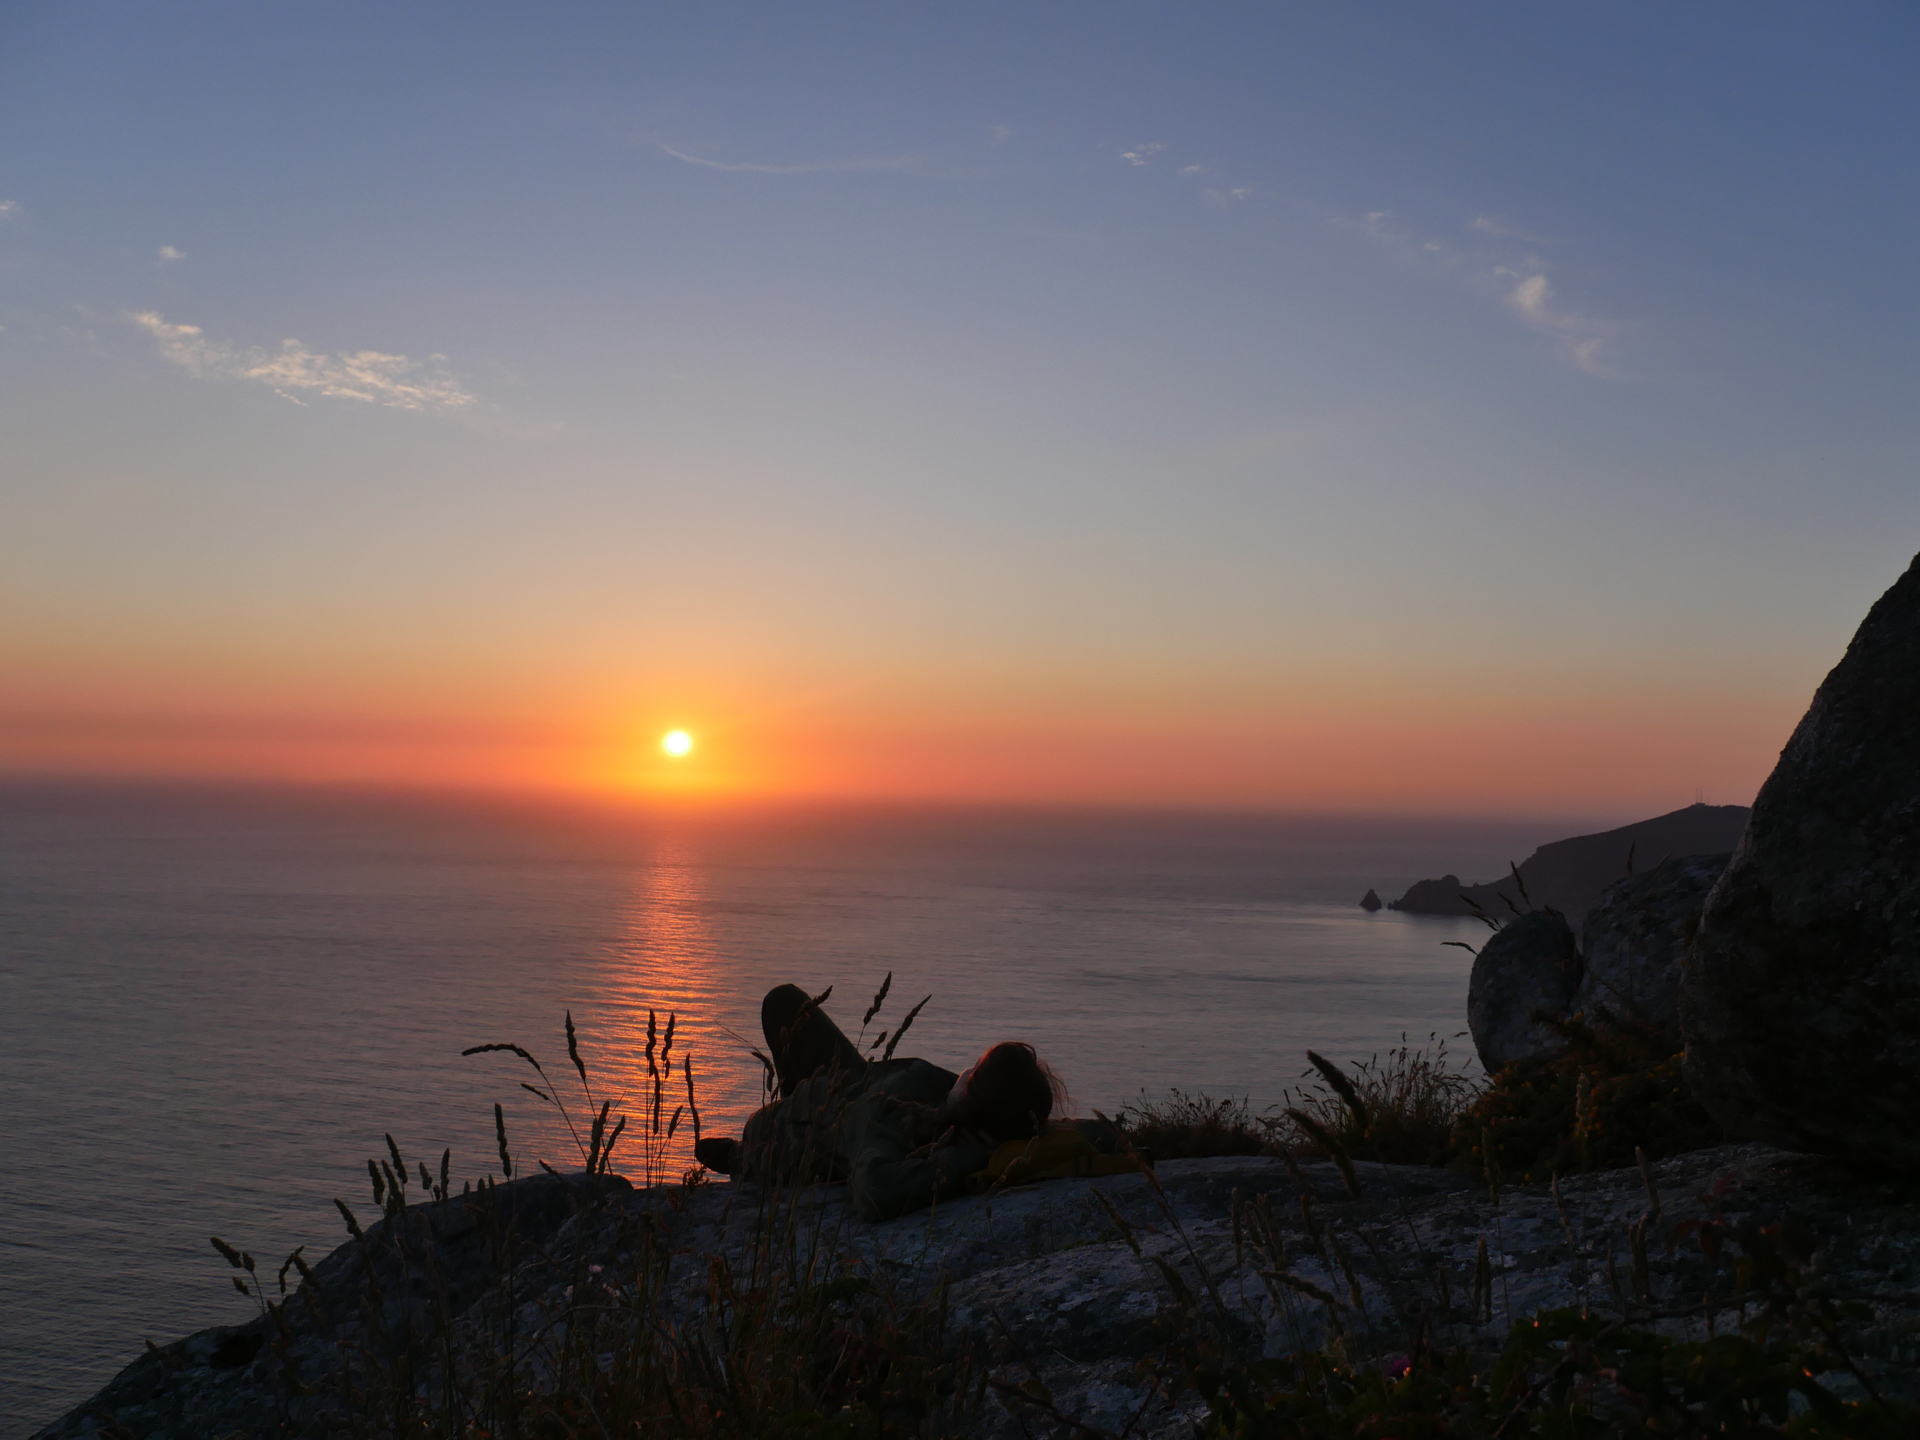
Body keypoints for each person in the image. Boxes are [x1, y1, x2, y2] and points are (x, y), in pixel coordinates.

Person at [693, 983, 1067, 1222]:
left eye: (976, 1069)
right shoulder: (958, 1094)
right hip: (846, 1079)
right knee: (784, 1001)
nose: (967, 1068)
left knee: (777, 1144)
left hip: (787, 1126)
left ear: (970, 1094)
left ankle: (738, 1157)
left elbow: (876, 1193)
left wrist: (974, 1158)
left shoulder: (890, 1128)